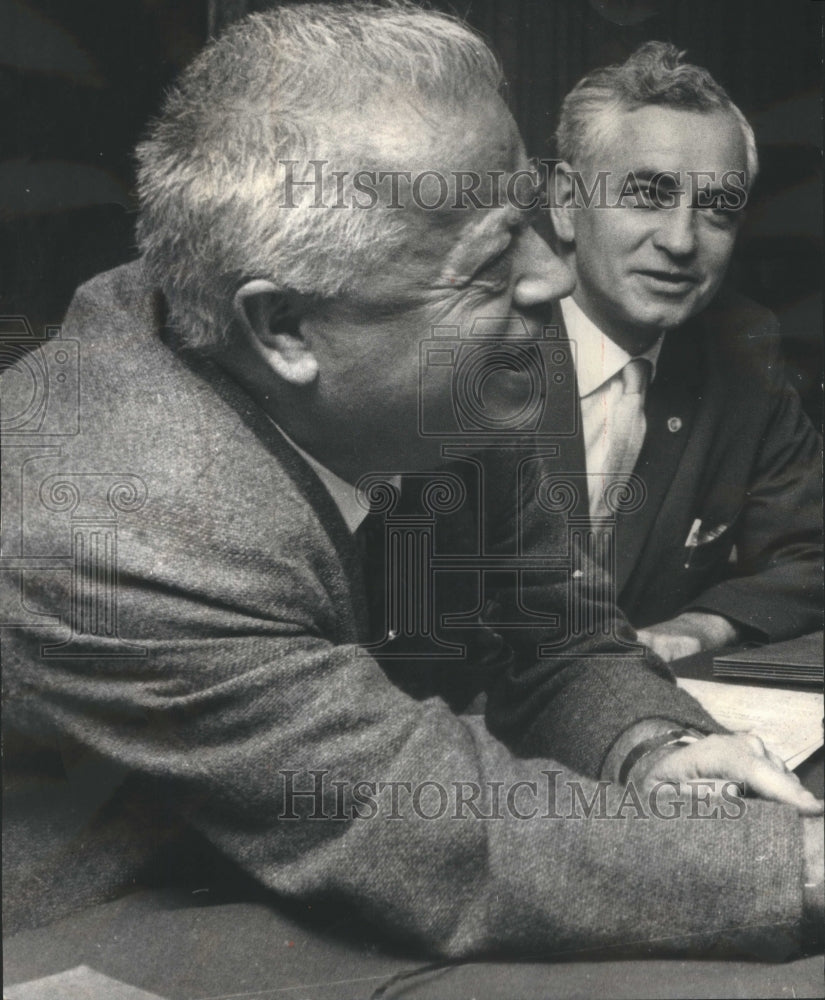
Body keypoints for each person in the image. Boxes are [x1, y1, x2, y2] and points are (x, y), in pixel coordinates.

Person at [1, 3, 821, 960]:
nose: (550, 281)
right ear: (286, 330)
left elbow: (551, 636)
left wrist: (658, 750)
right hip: (89, 939)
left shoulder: (436, 378)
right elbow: (420, 824)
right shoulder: (104, 522)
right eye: (486, 265)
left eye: (525, 219)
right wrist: (794, 864)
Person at [546, 41, 822, 663]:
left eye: (717, 208)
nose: (680, 240)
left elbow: (812, 553)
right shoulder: (467, 344)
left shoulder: (744, 347)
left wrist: (702, 626)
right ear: (565, 202)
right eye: (648, 194)